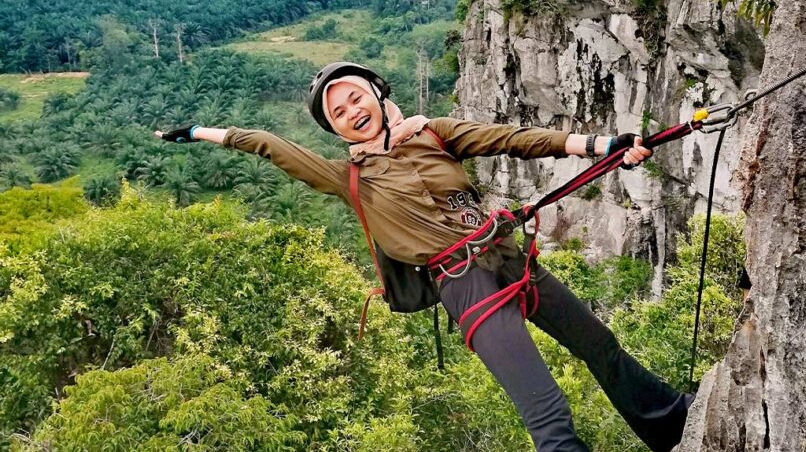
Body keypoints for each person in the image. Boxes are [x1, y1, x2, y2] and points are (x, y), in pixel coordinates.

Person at [155, 62, 694, 451]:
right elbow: (271, 144)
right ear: (335, 129)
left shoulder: (433, 134)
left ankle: (672, 424)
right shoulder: (351, 179)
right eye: (337, 112)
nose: (351, 112)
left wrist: (602, 145)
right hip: (463, 283)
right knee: (547, 411)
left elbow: (509, 138)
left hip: (506, 258)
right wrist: (203, 133)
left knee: (600, 346)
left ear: (377, 94)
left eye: (355, 98)